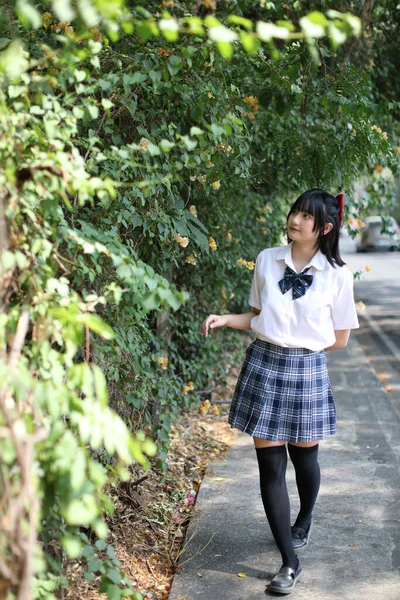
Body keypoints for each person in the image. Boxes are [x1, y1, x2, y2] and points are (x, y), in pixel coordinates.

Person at [200, 189, 359, 595]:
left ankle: (303, 518)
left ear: (324, 227)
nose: (295, 220)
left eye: (307, 217)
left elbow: (340, 339)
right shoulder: (267, 259)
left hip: (306, 367)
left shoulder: (338, 275)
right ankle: (290, 562)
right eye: (294, 212)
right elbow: (257, 318)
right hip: (264, 365)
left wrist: (301, 347)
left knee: (305, 458)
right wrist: (224, 319)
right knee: (270, 466)